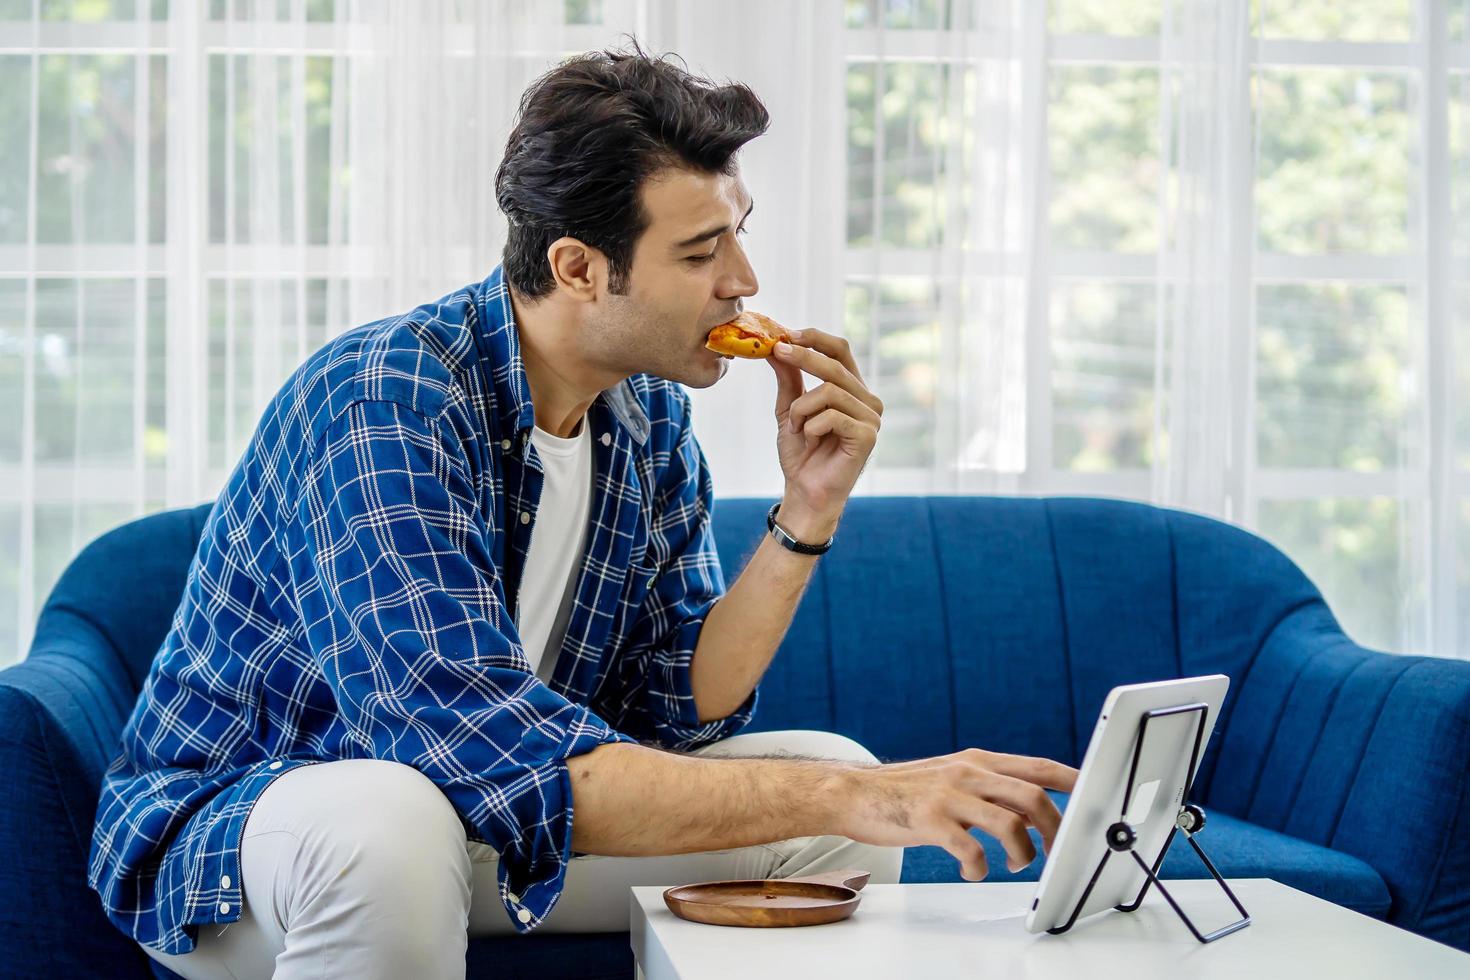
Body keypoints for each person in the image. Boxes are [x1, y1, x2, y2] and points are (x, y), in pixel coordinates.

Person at [88, 45, 1078, 979]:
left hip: (480, 824)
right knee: (390, 820)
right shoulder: (386, 401)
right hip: (260, 845)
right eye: (700, 251)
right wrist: (869, 791)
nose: (745, 279)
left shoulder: (645, 415)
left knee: (836, 804)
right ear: (577, 267)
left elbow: (676, 710)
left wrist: (806, 511)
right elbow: (473, 746)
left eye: (738, 230)